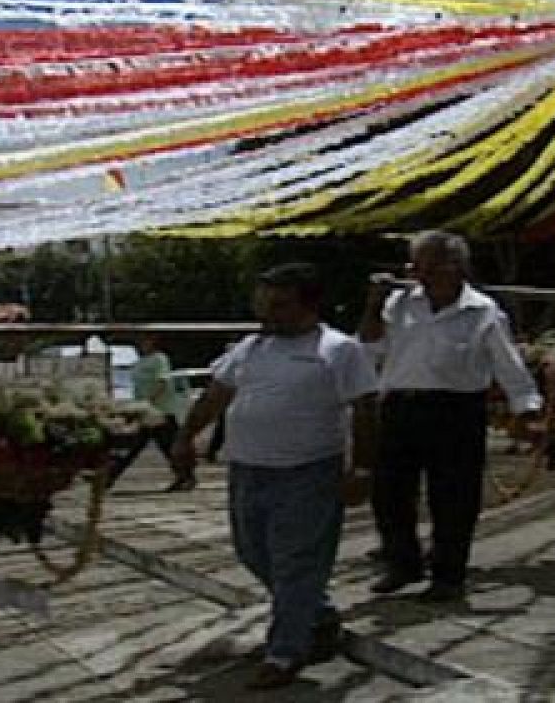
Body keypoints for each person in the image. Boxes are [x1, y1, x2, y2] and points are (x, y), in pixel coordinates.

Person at [170, 264, 378, 691]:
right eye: (263, 304)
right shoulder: (250, 347)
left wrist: (362, 468)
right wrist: (186, 436)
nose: (268, 313)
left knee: (297, 562)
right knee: (252, 552)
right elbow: (216, 396)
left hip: (309, 472)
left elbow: (365, 410)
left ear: (309, 305)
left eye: (280, 305)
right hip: (248, 469)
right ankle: (316, 617)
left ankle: (285, 651)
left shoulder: (340, 350)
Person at [358, 231, 541, 602]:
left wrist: (527, 408)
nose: (416, 274)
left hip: (456, 410)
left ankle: (448, 573)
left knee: (454, 495)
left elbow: (508, 363)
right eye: (413, 266)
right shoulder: (400, 303)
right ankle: (402, 563)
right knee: (390, 492)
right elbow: (368, 345)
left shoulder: (483, 310)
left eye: (424, 266)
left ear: (453, 268)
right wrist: (373, 304)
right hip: (400, 405)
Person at [106, 333, 193, 491]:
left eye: (145, 341)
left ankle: (186, 476)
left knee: (168, 446)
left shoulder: (160, 359)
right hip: (144, 412)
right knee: (133, 445)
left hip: (161, 411)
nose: (142, 344)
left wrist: (150, 400)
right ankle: (109, 477)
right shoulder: (139, 362)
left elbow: (163, 381)